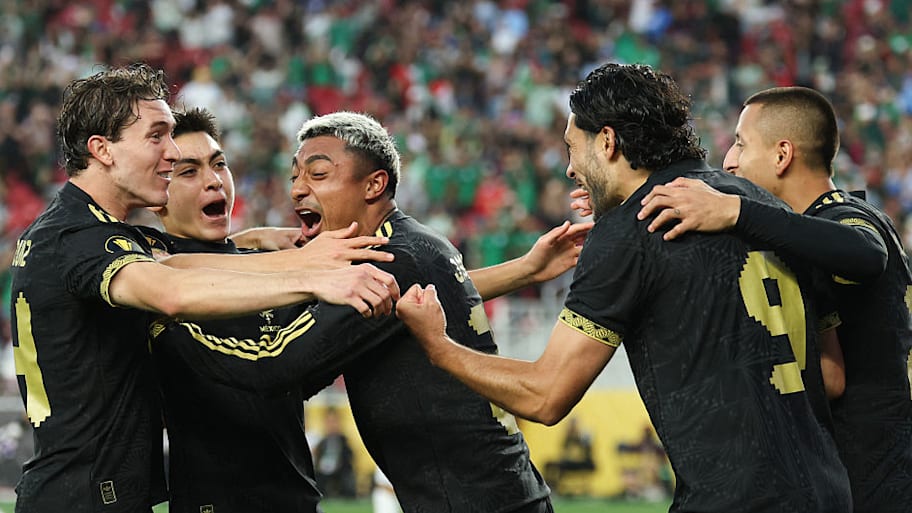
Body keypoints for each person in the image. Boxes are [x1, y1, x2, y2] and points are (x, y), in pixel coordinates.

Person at [394, 63, 852, 513]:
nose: (570, 169)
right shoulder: (757, 204)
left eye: (572, 148)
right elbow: (831, 377)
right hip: (831, 490)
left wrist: (438, 345)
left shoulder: (630, 231)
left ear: (608, 141)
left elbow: (545, 395)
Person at [149, 111, 595, 513]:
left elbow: (281, 362)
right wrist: (523, 271)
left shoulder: (384, 259)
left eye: (319, 174)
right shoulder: (414, 246)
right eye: (188, 170)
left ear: (373, 185)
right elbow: (405, 300)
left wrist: (165, 312)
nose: (298, 188)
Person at [8, 63, 400, 513]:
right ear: (103, 150)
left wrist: (254, 241)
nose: (171, 153)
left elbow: (175, 258)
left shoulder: (91, 229)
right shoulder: (77, 236)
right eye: (157, 136)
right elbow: (170, 289)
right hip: (81, 498)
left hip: (92, 493)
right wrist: (312, 274)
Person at [636, 86, 912, 513]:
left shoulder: (844, 218)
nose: (729, 160)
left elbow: (866, 254)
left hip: (880, 476)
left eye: (741, 144)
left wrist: (737, 211)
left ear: (783, 155)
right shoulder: (807, 230)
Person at [312, 407, 356, 498]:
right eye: (329, 422)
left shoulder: (344, 441)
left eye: (334, 421)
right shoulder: (322, 442)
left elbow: (348, 458)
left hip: (340, 471)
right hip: (323, 472)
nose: (331, 425)